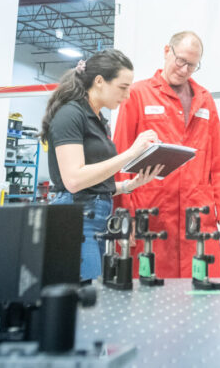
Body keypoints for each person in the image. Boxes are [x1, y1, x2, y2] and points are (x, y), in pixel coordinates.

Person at [112, 31, 220, 279]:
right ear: (167, 51)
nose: (184, 69)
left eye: (192, 65)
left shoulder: (205, 100)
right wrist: (124, 213)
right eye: (180, 60)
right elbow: (120, 157)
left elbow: (219, 162)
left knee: (204, 299)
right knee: (149, 299)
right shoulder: (138, 95)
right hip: (151, 214)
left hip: (197, 215)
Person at [41, 48, 164, 281]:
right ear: (99, 81)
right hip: (76, 218)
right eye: (122, 87)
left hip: (97, 218)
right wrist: (131, 153)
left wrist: (129, 185)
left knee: (94, 293)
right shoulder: (70, 115)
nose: (127, 95)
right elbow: (74, 180)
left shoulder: (98, 121)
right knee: (85, 295)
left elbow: (93, 184)